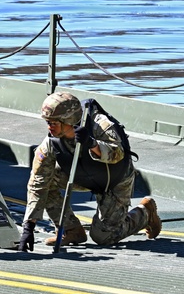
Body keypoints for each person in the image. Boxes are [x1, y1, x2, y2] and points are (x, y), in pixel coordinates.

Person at [18, 92, 161, 251]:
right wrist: (28, 227)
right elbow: (38, 183)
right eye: (47, 122)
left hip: (115, 179)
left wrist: (92, 144)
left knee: (104, 237)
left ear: (69, 121)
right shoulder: (50, 142)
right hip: (83, 176)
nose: (49, 127)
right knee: (47, 180)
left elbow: (118, 154)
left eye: (54, 123)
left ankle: (145, 213)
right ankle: (70, 229)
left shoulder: (100, 125)